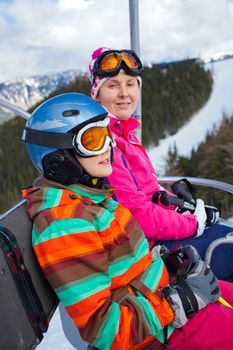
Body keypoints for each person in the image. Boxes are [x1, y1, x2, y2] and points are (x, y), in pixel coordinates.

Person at [22, 92, 233, 349]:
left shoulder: (93, 200)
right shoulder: (67, 225)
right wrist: (181, 301)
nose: (109, 146)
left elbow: (122, 267)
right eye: (93, 140)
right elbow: (104, 330)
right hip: (161, 334)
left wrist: (164, 263)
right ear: (58, 158)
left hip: (163, 304)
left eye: (107, 135)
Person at [87, 47, 233, 282]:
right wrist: (192, 224)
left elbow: (151, 192)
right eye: (113, 85)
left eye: (131, 84)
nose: (124, 93)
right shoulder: (101, 144)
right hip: (147, 252)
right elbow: (137, 216)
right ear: (97, 93)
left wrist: (183, 209)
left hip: (159, 237)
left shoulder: (126, 135)